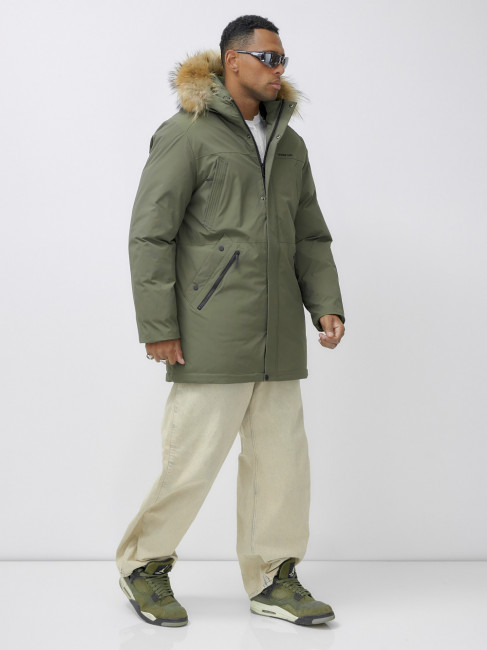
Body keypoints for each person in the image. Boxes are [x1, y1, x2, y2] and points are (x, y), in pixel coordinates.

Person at [116, 14, 345, 627]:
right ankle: (144, 565)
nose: (279, 69)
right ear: (232, 60)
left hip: (279, 336)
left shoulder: (290, 145)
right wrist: (158, 324)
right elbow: (151, 234)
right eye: (268, 57)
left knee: (283, 465)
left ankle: (274, 576)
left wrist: (325, 303)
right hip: (209, 331)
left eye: (283, 58)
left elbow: (309, 235)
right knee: (190, 462)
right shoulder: (186, 134)